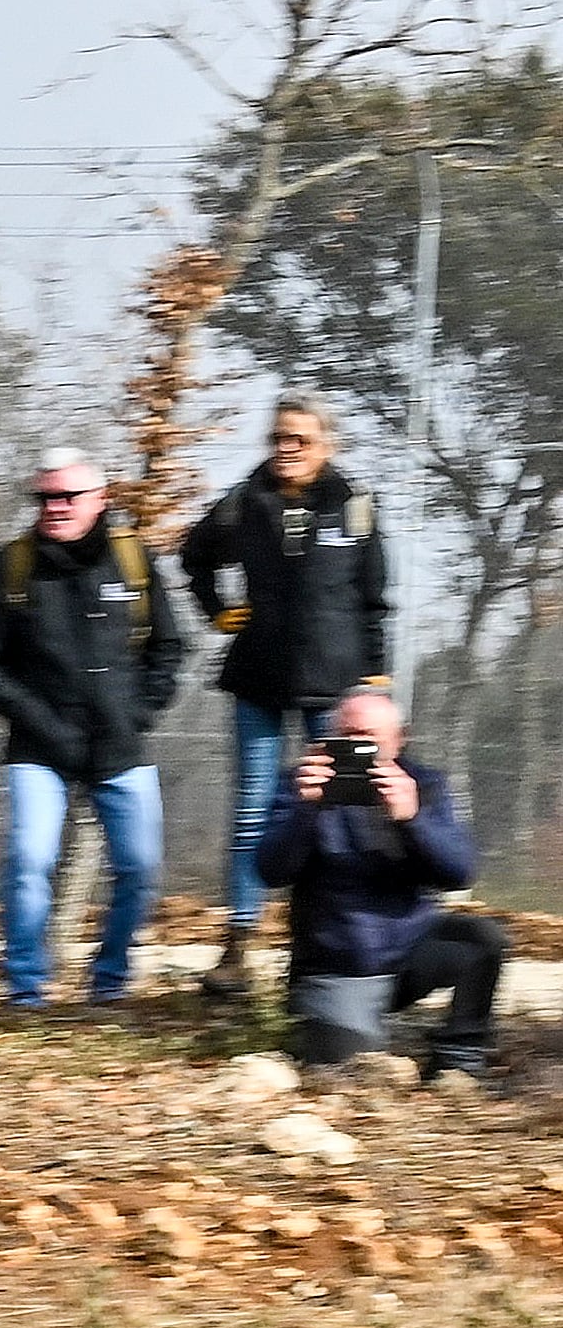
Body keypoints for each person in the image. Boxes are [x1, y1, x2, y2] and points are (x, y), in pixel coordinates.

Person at [179, 390, 393, 998]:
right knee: (252, 808)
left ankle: (330, 942)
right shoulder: (244, 502)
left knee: (342, 806)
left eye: (299, 439)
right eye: (277, 437)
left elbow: (375, 597)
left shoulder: (354, 506)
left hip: (336, 684)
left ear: (327, 445)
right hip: (258, 677)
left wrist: (376, 677)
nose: (286, 449)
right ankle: (237, 946)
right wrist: (219, 612)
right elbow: (194, 557)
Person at [0, 450, 186, 1008]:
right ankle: (25, 988)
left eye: (67, 497)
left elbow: (170, 649)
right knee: (29, 861)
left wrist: (137, 713)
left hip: (121, 748)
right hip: (39, 749)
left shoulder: (135, 562)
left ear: (100, 500)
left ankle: (109, 983)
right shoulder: (10, 567)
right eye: (44, 498)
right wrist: (36, 716)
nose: (54, 508)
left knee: (139, 868)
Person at [257, 687, 500, 1082]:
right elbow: (270, 872)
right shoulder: (299, 785)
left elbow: (458, 873)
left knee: (482, 939)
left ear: (399, 739)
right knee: (351, 1072)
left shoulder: (423, 784)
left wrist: (412, 820)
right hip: (338, 965)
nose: (355, 747)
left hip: (410, 950)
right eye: (346, 735)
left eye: (368, 738)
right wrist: (307, 811)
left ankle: (458, 1055)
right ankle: (328, 1020)